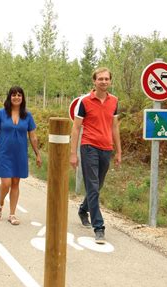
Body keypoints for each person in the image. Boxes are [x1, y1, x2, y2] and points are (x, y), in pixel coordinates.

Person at [70, 67, 122, 244]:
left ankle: (83, 209)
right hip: (88, 147)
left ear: (110, 81)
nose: (104, 82)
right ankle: (99, 227)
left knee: (98, 185)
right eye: (100, 79)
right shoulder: (84, 101)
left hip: (106, 147)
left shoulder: (114, 101)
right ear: (94, 81)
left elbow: (115, 127)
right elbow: (76, 128)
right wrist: (73, 154)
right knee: (92, 186)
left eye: (107, 79)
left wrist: (119, 151)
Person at [0, 86, 42, 225]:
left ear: (23, 98)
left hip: (20, 154)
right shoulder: (1, 113)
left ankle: (12, 214)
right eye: (13, 95)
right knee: (6, 182)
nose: (16, 97)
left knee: (16, 183)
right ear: (9, 97)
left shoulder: (27, 116)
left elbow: (33, 137)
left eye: (19, 95)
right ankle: (0, 203)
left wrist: (37, 154)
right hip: (3, 153)